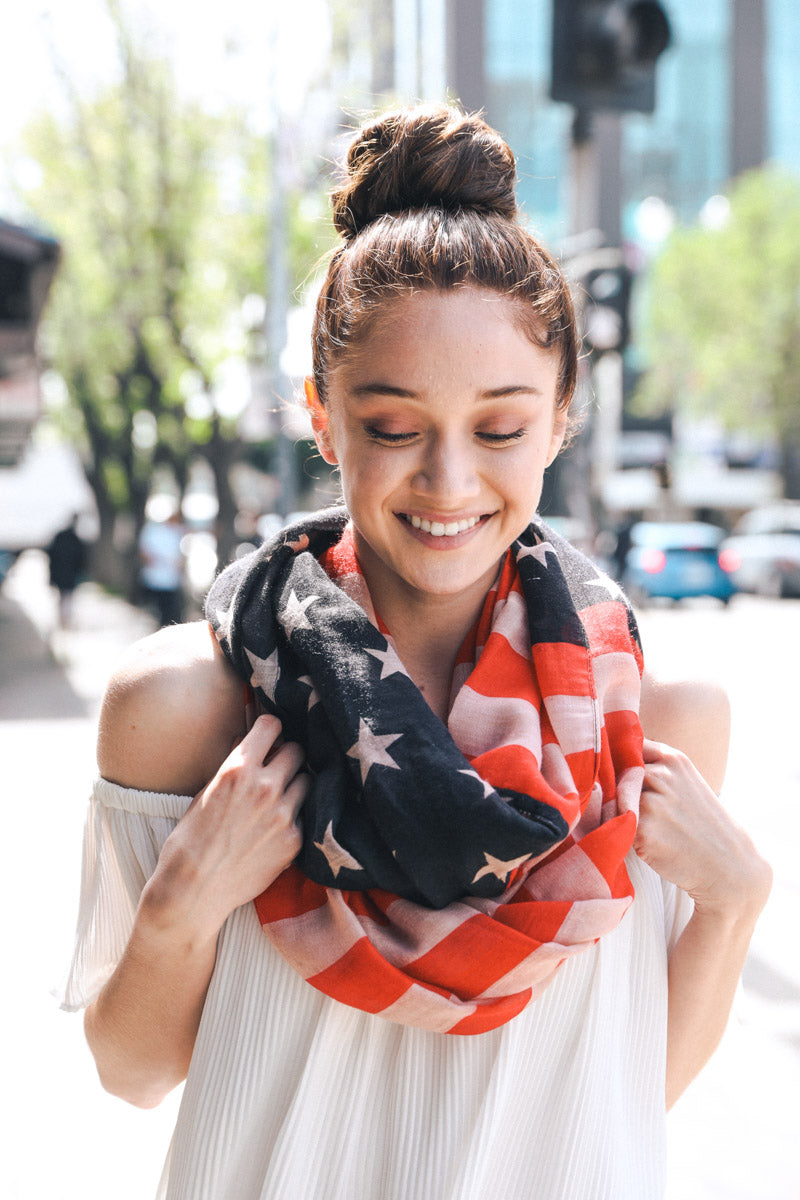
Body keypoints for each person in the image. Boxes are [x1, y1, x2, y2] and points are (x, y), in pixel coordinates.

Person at [61, 106, 771, 1200]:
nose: (447, 484)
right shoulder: (188, 705)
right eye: (393, 428)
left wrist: (731, 908)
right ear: (323, 419)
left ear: (559, 420)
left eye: (497, 430)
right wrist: (186, 903)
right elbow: (133, 1067)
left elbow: (625, 1094)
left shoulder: (653, 722)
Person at [138, 507, 186, 627]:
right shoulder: (152, 531)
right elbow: (145, 553)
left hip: (172, 580)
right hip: (155, 579)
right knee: (156, 612)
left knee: (170, 613)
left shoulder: (177, 532)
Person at [46, 514, 88, 628]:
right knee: (67, 596)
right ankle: (64, 620)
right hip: (68, 574)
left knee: (64, 597)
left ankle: (63, 620)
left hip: (62, 573)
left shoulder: (62, 537)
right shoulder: (75, 539)